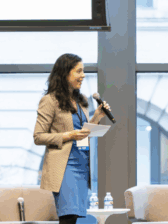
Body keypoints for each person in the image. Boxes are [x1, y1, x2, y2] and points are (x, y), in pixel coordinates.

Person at [34, 53, 111, 224]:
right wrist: (69, 135)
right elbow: (38, 137)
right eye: (78, 71)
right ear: (65, 74)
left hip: (81, 165)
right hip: (64, 167)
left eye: (83, 71)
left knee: (73, 217)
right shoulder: (49, 101)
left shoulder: (81, 102)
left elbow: (81, 133)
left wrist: (96, 117)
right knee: (68, 217)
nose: (83, 75)